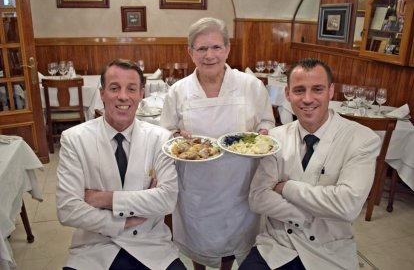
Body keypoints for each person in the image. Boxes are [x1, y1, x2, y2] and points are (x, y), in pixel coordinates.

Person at [239, 58, 381, 270]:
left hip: (330, 251)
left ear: (331, 91)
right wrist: (307, 216)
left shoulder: (361, 139)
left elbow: (347, 206)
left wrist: (285, 187)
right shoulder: (275, 138)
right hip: (278, 245)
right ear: (287, 94)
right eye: (299, 90)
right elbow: (258, 198)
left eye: (317, 89)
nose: (307, 99)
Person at [160, 17, 275, 270]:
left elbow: (267, 123)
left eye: (216, 47)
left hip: (239, 185)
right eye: (201, 48)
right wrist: (175, 136)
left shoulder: (251, 86)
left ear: (228, 49)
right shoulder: (178, 91)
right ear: (190, 53)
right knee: (198, 240)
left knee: (233, 242)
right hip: (196, 188)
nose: (209, 55)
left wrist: (264, 131)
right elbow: (165, 132)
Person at [56, 58, 186, 270]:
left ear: (141, 94)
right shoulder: (74, 139)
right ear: (102, 93)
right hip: (95, 246)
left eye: (131, 89)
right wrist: (123, 222)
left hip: (150, 245)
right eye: (114, 88)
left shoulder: (160, 138)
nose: (123, 96)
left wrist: (103, 199)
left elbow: (167, 200)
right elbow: (68, 210)